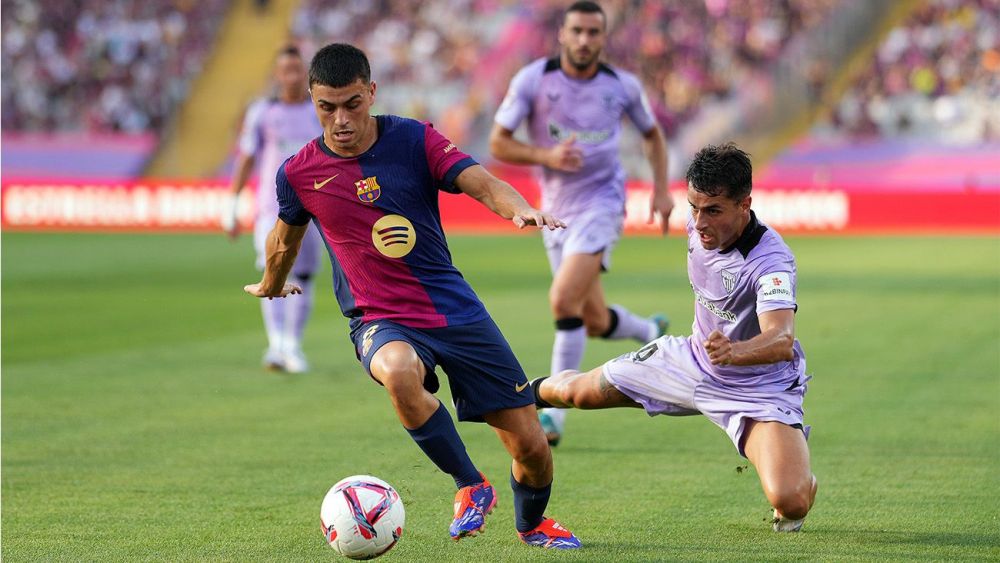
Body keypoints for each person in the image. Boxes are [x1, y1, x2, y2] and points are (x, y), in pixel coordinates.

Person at [244, 43, 581, 549]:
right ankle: (470, 484)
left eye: (352, 104)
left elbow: (483, 183)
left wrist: (519, 209)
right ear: (313, 102)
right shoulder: (298, 172)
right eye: (326, 107)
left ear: (372, 93)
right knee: (399, 371)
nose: (340, 120)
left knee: (532, 447)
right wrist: (271, 284)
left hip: (454, 310)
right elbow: (283, 240)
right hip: (379, 318)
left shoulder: (414, 139)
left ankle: (532, 524)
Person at [530, 143, 818, 532]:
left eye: (713, 210)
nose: (699, 222)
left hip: (758, 388)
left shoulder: (770, 261)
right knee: (577, 393)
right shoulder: (697, 225)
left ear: (744, 204)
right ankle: (514, 393)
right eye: (694, 207)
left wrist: (735, 351)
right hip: (692, 361)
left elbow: (781, 339)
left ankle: (793, 455)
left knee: (792, 500)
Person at [489, 0, 675, 446]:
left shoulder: (622, 86)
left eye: (594, 32)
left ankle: (552, 413)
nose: (585, 40)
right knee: (589, 318)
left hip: (602, 204)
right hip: (555, 210)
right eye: (577, 31)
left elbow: (652, 134)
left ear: (603, 38)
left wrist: (663, 189)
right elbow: (499, 142)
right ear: (563, 34)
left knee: (562, 299)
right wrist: (545, 156)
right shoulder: (533, 80)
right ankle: (648, 332)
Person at [223, 44, 324, 373]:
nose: (292, 76)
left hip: (312, 207)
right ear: (277, 75)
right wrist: (233, 204)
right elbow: (246, 158)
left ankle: (293, 345)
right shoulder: (262, 112)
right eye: (286, 70)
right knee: (272, 272)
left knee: (304, 276)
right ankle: (276, 345)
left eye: (298, 69)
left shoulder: (318, 111)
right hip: (271, 205)